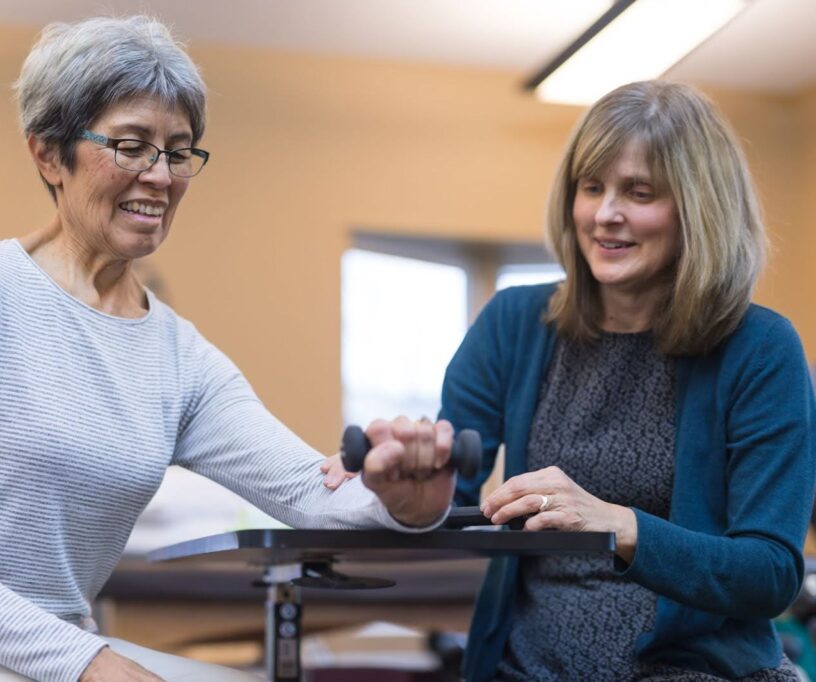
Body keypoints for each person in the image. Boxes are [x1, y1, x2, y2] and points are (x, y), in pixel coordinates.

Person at [0, 16, 456, 682]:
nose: (161, 176)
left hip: (52, 652)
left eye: (177, 151)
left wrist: (408, 499)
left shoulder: (181, 358)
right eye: (131, 145)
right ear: (48, 154)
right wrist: (88, 661)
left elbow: (307, 492)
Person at [325, 80, 816, 680]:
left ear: (698, 209)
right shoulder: (514, 324)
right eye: (592, 187)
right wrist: (400, 495)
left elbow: (769, 573)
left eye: (638, 193)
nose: (605, 214)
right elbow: (449, 500)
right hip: (526, 669)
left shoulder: (760, 349)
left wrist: (623, 525)